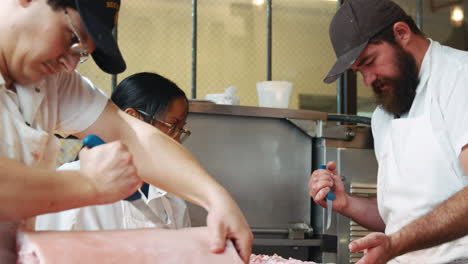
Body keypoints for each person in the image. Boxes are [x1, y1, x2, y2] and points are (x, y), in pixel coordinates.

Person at [0, 1, 252, 263]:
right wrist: (89, 184)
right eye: (72, 37)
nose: (70, 65)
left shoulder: (52, 81)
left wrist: (216, 198)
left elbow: (130, 133)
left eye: (81, 52)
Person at [308, 0, 468, 263]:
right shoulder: (384, 116)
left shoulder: (459, 78)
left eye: (369, 62)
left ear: (402, 33)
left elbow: (400, 237)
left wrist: (395, 244)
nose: (368, 80)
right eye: (359, 71)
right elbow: (401, 220)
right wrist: (346, 203)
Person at [36, 72, 192, 231]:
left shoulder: (170, 195)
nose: (177, 141)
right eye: (172, 126)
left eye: (181, 130)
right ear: (134, 118)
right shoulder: (71, 181)